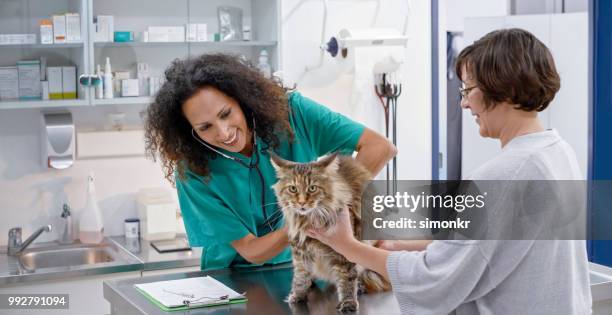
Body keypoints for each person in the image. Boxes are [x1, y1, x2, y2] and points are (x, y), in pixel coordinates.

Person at [308, 28, 592, 314]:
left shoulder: (504, 175)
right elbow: (492, 245)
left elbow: (431, 279)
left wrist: (346, 245)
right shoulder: (557, 152)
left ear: (502, 88)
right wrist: (396, 244)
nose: (464, 102)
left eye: (468, 90)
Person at [143, 53, 396, 270]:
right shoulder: (193, 169)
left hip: (306, 266)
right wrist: (304, 221)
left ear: (241, 101)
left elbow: (379, 148)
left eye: (226, 114)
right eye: (205, 127)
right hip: (234, 279)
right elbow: (252, 251)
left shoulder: (293, 114)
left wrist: (332, 200)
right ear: (190, 131)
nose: (223, 133)